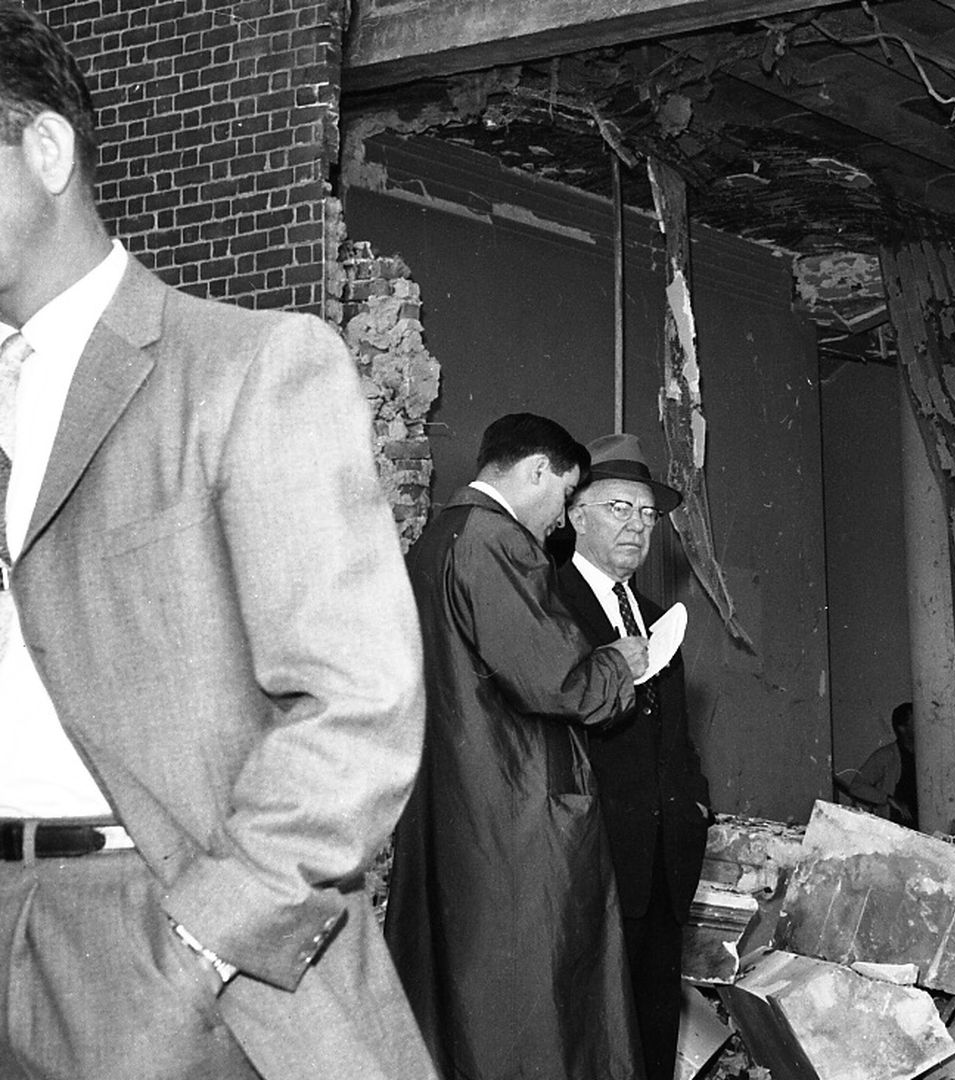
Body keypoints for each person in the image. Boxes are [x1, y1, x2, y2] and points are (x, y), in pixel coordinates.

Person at [0, 9, 435, 1078]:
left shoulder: (250, 370)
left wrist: (202, 941)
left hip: (161, 955)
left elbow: (357, 704)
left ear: (45, 150)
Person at [386, 413, 649, 1080]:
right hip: (513, 814)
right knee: (536, 1009)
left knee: (465, 1005)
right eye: (566, 495)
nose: (562, 521)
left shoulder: (438, 539)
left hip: (461, 804)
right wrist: (619, 663)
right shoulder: (498, 541)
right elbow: (559, 682)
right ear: (535, 471)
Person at [551, 432, 711, 1080]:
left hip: (664, 866)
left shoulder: (653, 613)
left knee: (650, 1039)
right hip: (591, 862)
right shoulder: (549, 602)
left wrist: (696, 806)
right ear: (576, 513)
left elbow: (674, 737)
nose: (638, 526)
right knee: (588, 1038)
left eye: (647, 515)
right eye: (620, 508)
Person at [836, 702, 918, 827]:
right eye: (915, 721)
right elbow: (857, 787)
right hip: (895, 828)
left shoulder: (926, 755)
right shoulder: (887, 756)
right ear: (902, 728)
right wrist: (887, 798)